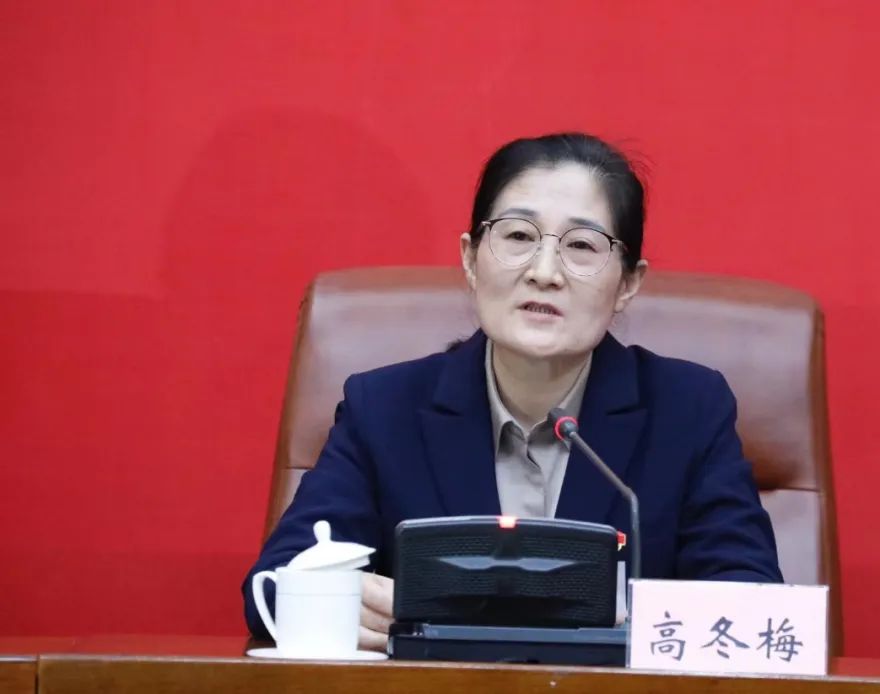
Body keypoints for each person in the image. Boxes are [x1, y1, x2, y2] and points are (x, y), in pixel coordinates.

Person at [243, 132, 783, 651]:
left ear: (627, 284)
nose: (544, 273)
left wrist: (625, 620)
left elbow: (752, 602)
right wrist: (334, 602)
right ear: (470, 258)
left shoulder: (688, 411)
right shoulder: (384, 409)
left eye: (581, 245)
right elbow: (273, 584)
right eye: (519, 237)